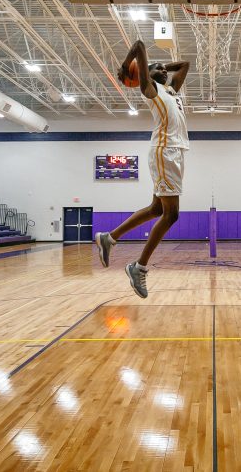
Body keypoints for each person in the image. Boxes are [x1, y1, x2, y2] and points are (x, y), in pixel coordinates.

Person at [95, 39, 189, 298]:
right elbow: (138, 44)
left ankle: (109, 238)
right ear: (147, 75)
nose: (164, 71)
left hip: (176, 152)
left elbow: (184, 64)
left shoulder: (170, 91)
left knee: (157, 209)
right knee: (171, 215)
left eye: (163, 69)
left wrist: (160, 66)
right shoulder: (151, 90)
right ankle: (139, 268)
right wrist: (129, 67)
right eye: (158, 68)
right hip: (165, 151)